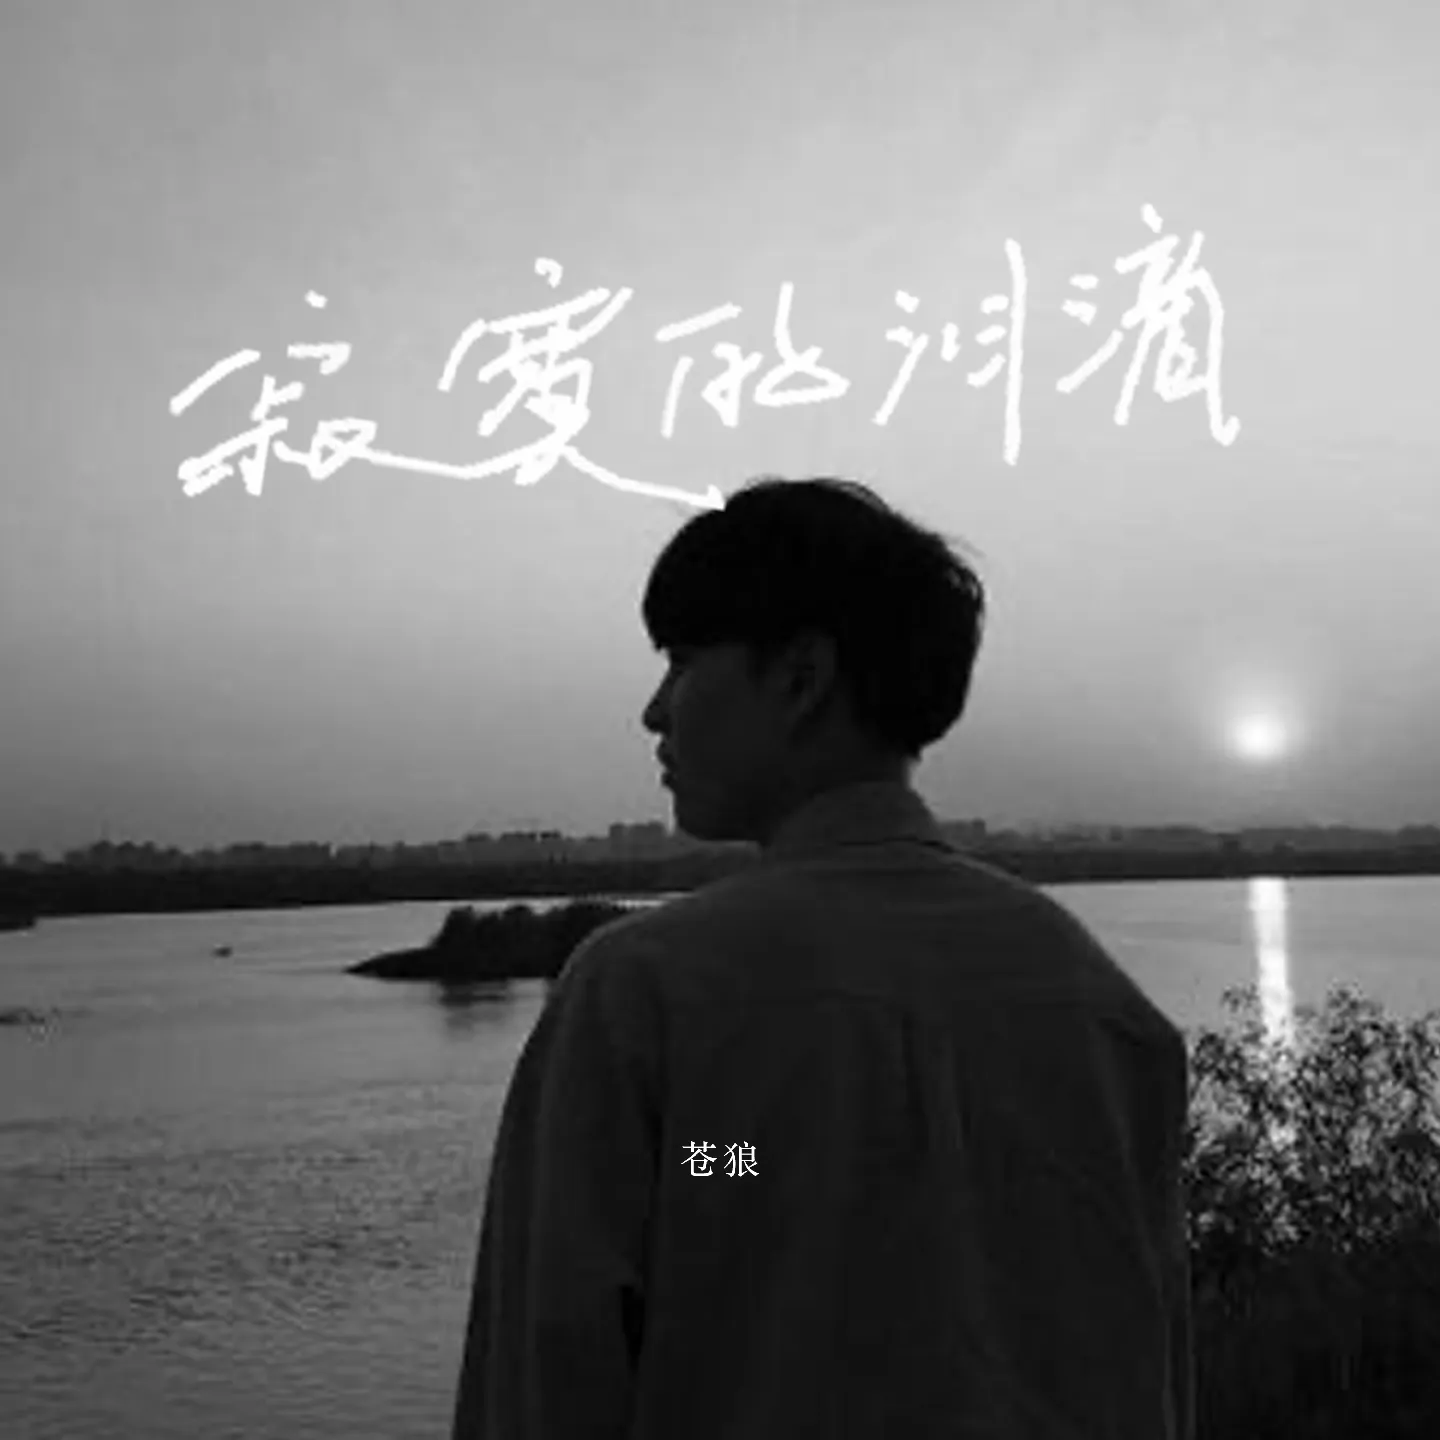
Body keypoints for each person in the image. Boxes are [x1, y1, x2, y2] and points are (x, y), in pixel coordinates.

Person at [451, 475, 1194, 1439]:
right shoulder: (1106, 1012)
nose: (655, 711)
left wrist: (730, 1160)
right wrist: (732, 1159)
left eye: (683, 661)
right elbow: (1155, 1373)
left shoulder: (647, 994)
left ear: (801, 677)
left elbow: (541, 1384)